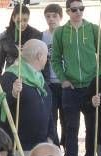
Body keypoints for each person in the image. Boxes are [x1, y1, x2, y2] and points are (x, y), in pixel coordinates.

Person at [51, 0, 101, 156]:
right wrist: (63, 79)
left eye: (81, 9)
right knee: (70, 126)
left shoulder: (93, 29)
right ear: (68, 11)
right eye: (74, 9)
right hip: (71, 87)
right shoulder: (60, 32)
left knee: (92, 126)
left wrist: (98, 76)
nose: (78, 12)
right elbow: (55, 59)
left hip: (91, 86)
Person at [0, 39, 55, 151]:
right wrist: (13, 94)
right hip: (16, 147)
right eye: (46, 56)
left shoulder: (40, 79)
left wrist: (51, 137)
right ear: (39, 56)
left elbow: (48, 112)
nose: (47, 59)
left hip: (40, 147)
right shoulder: (12, 76)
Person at [0, 3, 45, 83]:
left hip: (31, 80)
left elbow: (42, 60)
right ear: (13, 18)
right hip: (11, 78)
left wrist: (46, 83)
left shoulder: (36, 35)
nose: (22, 24)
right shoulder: (4, 37)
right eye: (19, 20)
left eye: (25, 20)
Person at [42, 3, 65, 146]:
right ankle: (54, 148)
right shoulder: (42, 36)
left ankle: (67, 148)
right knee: (51, 118)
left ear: (60, 17)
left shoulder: (66, 34)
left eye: (54, 16)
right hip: (49, 83)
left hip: (65, 83)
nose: (51, 19)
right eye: (48, 16)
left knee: (67, 119)